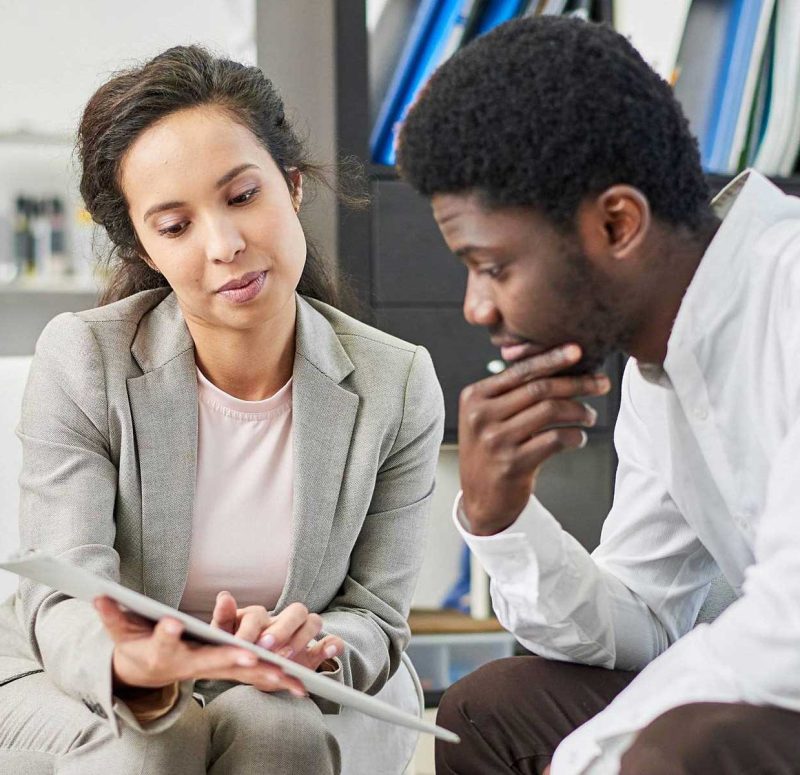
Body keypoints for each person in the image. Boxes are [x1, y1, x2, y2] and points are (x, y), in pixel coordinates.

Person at [0, 45, 443, 774]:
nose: (226, 245)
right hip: (77, 676)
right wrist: (134, 665)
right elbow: (62, 594)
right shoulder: (83, 358)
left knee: (279, 731)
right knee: (157, 739)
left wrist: (316, 646)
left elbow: (376, 615)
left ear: (291, 186)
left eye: (242, 197)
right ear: (144, 249)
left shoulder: (395, 383)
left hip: (279, 687)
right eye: (175, 227)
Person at [397, 14, 800, 775]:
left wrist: (588, 756)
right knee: (488, 711)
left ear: (617, 223)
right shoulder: (660, 364)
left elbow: (790, 626)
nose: (476, 308)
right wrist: (500, 518)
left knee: (678, 751)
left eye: (493, 267)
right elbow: (647, 618)